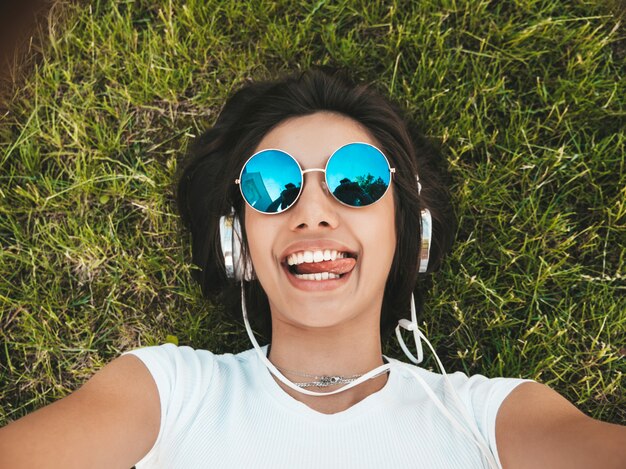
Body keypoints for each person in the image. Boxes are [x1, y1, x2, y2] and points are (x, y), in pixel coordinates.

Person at [0, 69, 624, 469]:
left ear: (411, 230)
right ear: (236, 242)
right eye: (273, 186)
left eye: (358, 180)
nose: (314, 213)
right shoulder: (168, 393)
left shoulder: (489, 420)